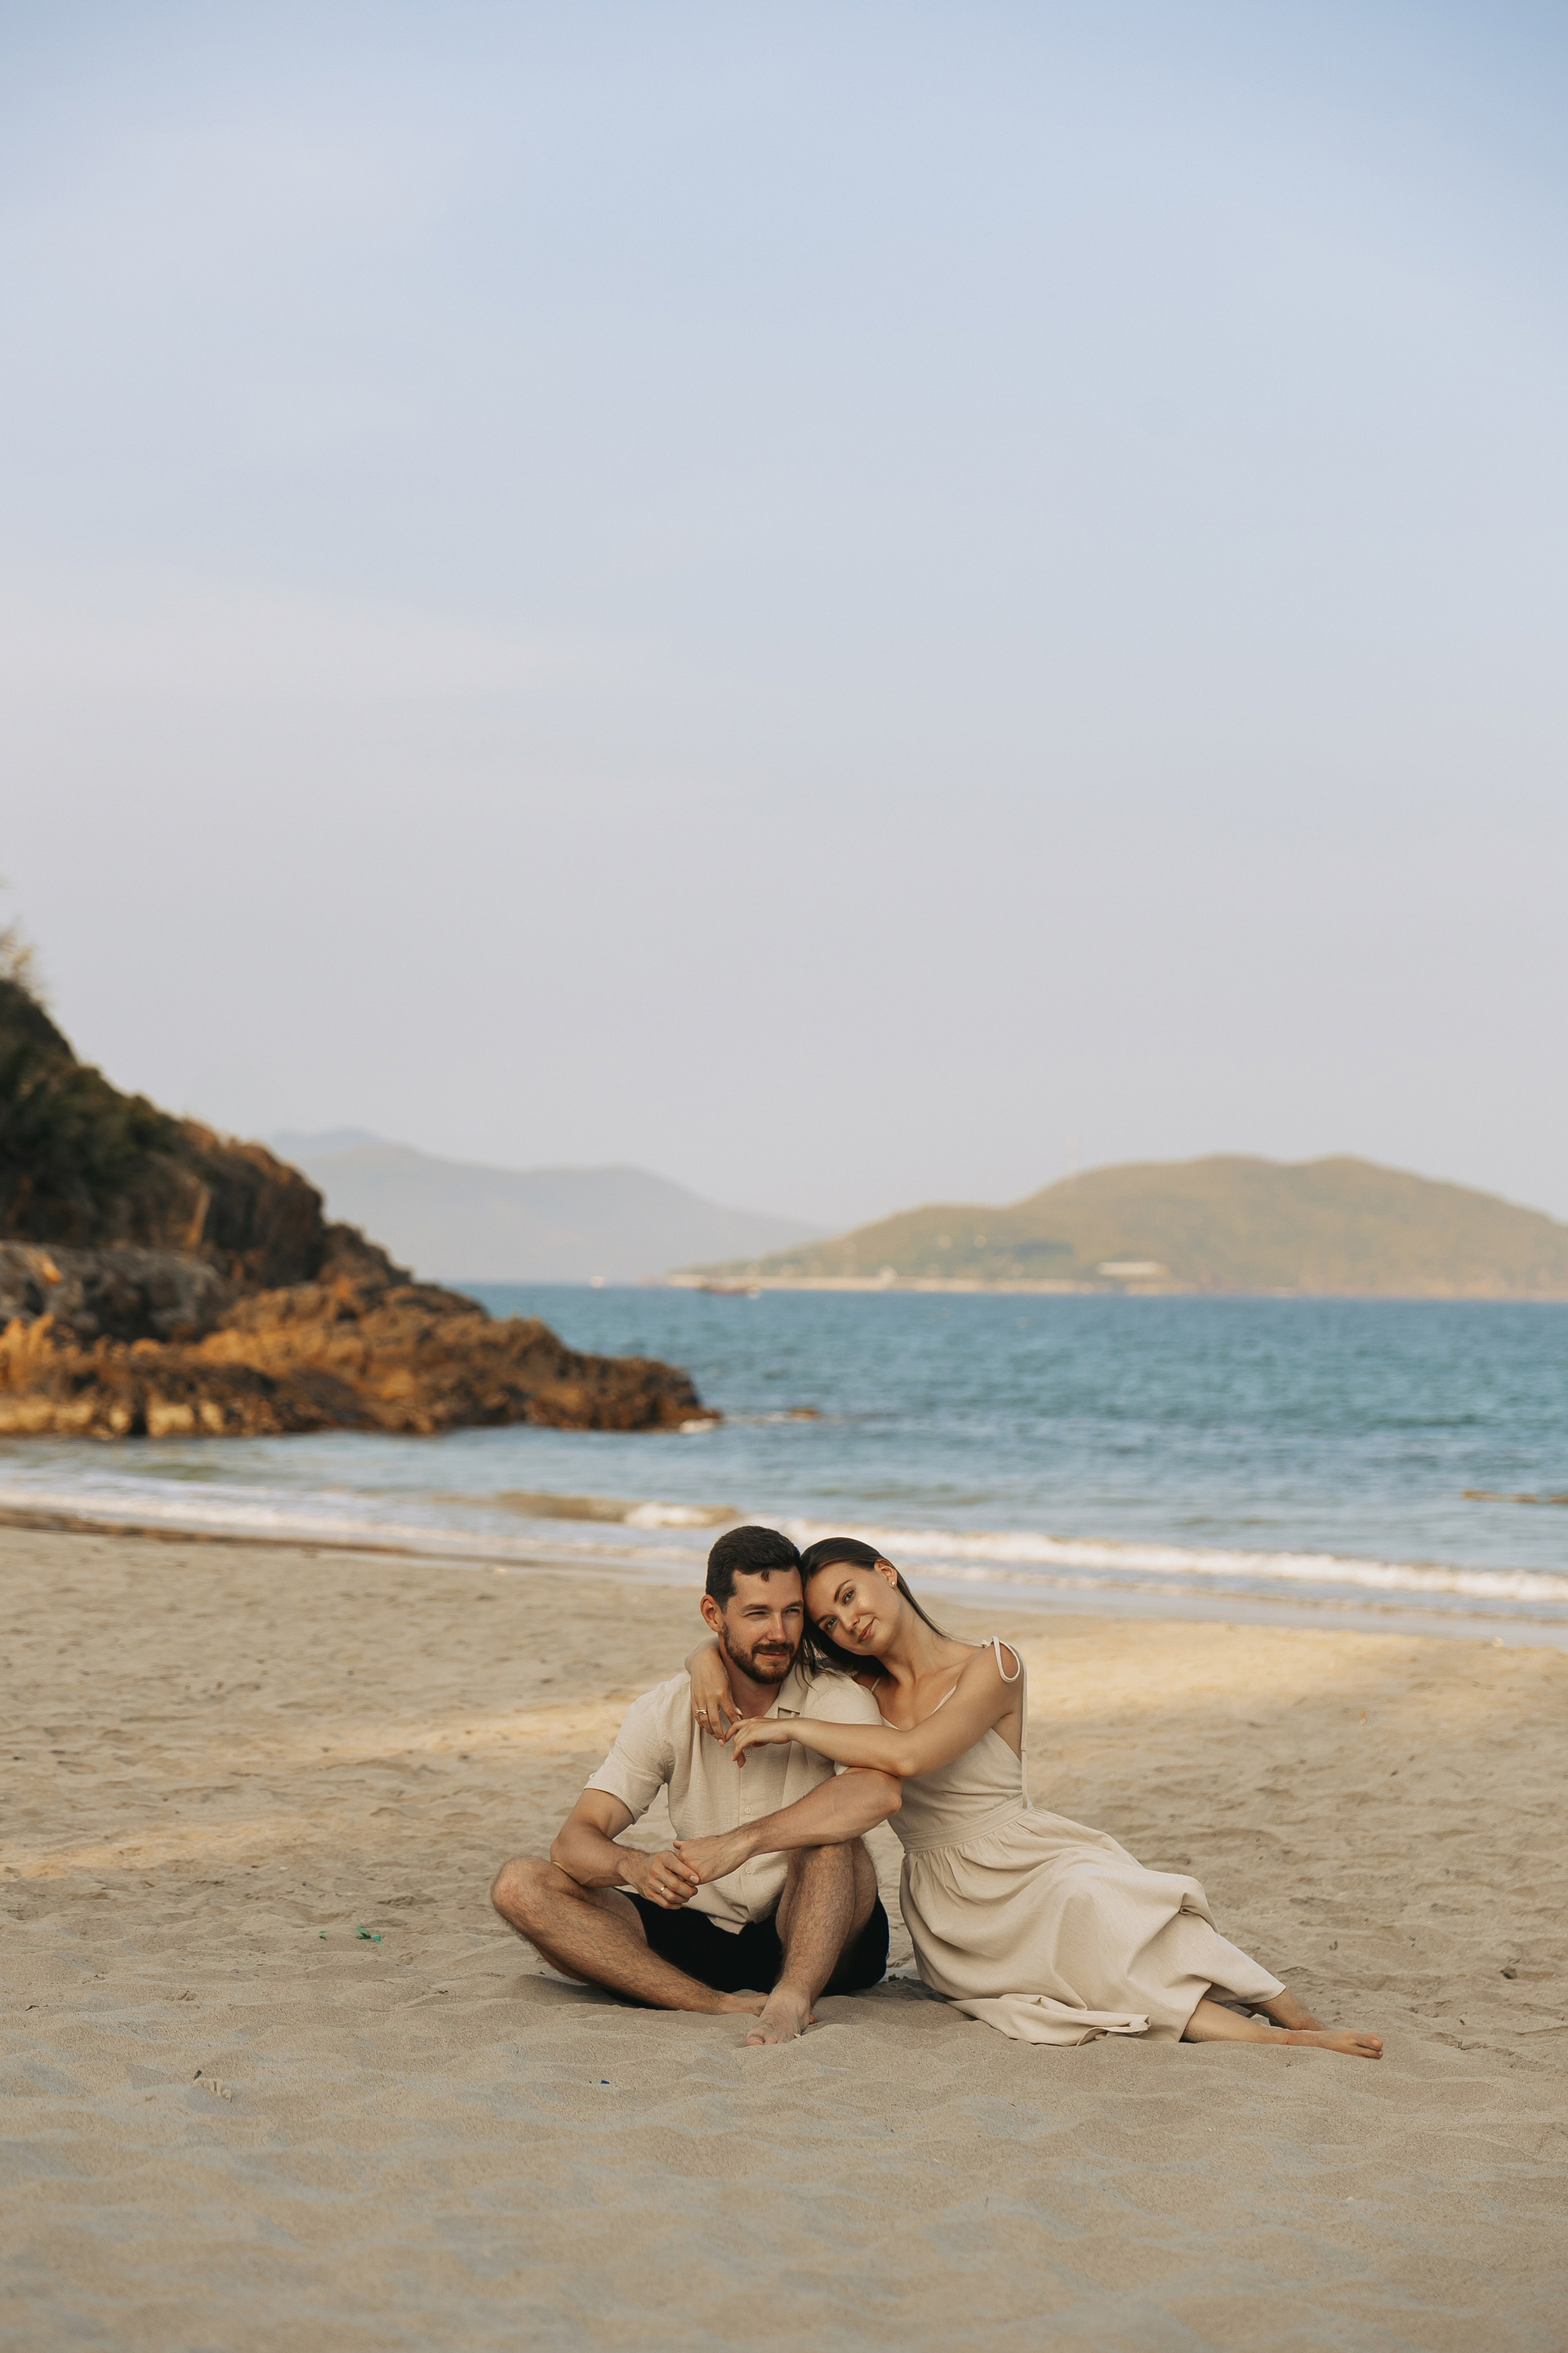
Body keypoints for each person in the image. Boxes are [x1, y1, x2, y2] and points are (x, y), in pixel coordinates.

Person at [679, 1536, 1383, 2057]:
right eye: (829, 1622)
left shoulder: (992, 1663)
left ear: (885, 1573)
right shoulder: (855, 1688)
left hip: (1027, 1854)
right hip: (952, 1901)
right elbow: (754, 1648)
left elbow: (914, 1754)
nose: (846, 1621)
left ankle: (1296, 2017)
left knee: (1102, 1903)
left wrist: (794, 1726)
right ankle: (1277, 2044)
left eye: (848, 1595)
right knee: (1099, 1967)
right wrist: (703, 1659)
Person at [490, 1526, 898, 2046]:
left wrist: (742, 1842)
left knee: (831, 1840)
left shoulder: (835, 1698)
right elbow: (573, 1841)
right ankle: (708, 2002)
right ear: (713, 1615)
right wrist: (634, 1867)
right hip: (701, 1933)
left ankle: (791, 2000)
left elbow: (877, 1792)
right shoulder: (665, 1710)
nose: (779, 1633)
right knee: (519, 1884)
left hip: (817, 1932)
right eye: (757, 1614)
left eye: (792, 1612)